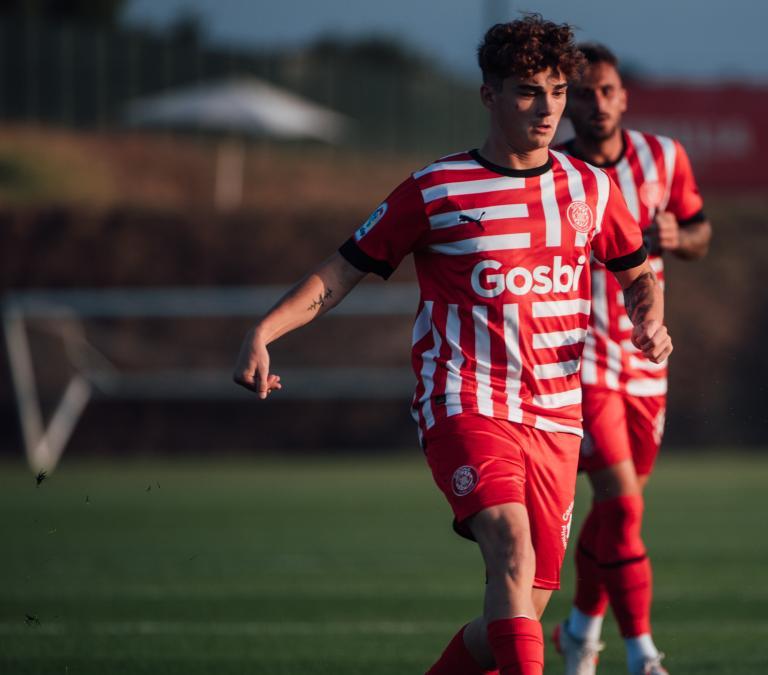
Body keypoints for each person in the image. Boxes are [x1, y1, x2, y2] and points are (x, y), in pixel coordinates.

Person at [232, 16, 672, 675]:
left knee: (525, 600)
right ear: (488, 94)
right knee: (511, 551)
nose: (548, 106)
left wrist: (650, 318)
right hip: (465, 399)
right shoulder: (437, 189)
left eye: (557, 90)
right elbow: (342, 270)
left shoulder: (590, 188)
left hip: (555, 415)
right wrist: (263, 330)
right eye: (528, 90)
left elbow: (638, 272)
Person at [549, 43, 711, 675]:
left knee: (619, 511)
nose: (597, 103)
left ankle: (580, 630)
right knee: (620, 499)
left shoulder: (664, 158)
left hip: (647, 355)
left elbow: (701, 232)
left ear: (624, 95)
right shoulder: (554, 172)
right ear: (568, 103)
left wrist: (680, 237)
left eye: (606, 90)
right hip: (580, 357)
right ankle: (643, 654)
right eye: (582, 93)